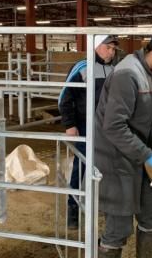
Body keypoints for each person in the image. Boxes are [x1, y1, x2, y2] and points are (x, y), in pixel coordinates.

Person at [95, 35, 152, 258]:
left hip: (136, 159)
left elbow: (143, 123)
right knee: (118, 227)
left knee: (151, 215)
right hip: (115, 160)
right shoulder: (128, 74)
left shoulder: (146, 73)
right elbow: (115, 127)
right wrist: (150, 156)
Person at [58, 35, 119, 229]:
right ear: (97, 46)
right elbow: (64, 97)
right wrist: (70, 124)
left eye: (113, 49)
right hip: (87, 126)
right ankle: (73, 209)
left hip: (109, 127)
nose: (112, 52)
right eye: (108, 47)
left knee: (108, 166)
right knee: (80, 167)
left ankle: (105, 204)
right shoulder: (82, 67)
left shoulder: (114, 69)